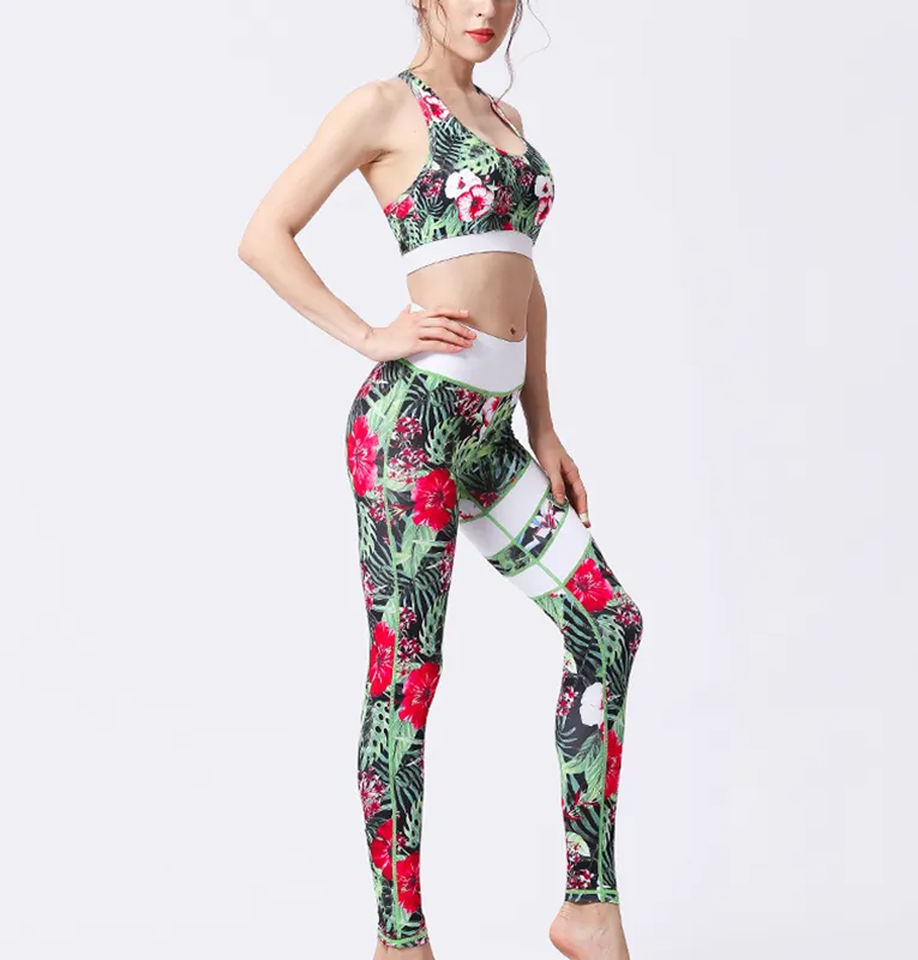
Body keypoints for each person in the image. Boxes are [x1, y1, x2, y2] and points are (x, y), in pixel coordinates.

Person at [238, 3, 643, 957]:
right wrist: (368, 335)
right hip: (411, 429)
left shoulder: (506, 122)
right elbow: (265, 234)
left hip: (491, 439)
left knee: (608, 626)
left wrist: (544, 427)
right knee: (409, 674)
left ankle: (588, 908)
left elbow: (523, 282)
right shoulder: (384, 106)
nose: (485, 10)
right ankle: (401, 938)